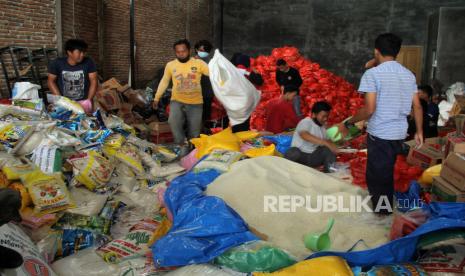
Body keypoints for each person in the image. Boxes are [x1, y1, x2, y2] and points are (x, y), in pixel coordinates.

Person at [337, 33, 423, 214]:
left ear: (376, 51)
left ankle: (383, 213)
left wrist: (348, 122)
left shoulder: (373, 74)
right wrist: (419, 132)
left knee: (378, 175)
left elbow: (369, 109)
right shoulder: (408, 75)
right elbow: (417, 106)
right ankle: (384, 205)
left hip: (381, 133)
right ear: (397, 53)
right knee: (386, 169)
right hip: (399, 133)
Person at [152, 39, 209, 153]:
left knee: (194, 131)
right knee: (173, 122)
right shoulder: (170, 65)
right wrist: (157, 98)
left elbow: (213, 74)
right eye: (178, 52)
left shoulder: (199, 64)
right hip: (177, 100)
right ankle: (182, 145)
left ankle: (193, 151)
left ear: (189, 51)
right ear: (175, 52)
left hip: (195, 103)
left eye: (183, 51)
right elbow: (164, 81)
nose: (181, 53)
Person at [285, 101, 338, 172]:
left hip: (312, 157)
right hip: (300, 156)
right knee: (293, 152)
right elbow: (304, 135)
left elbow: (329, 142)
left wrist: (336, 146)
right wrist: (324, 142)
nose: (325, 119)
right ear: (313, 115)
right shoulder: (306, 122)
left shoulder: (323, 128)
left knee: (328, 150)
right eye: (323, 116)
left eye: (327, 116)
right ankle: (287, 169)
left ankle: (330, 171)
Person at [48, 39, 97, 108]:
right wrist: (60, 100)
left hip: (83, 102)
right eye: (79, 52)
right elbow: (51, 81)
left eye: (83, 52)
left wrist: (88, 100)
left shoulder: (89, 62)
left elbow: (93, 81)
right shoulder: (57, 63)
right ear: (69, 52)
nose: (82, 55)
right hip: (65, 103)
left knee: (86, 118)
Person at [229, 53, 263, 132]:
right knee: (244, 123)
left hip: (233, 101)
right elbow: (259, 82)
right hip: (245, 101)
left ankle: (235, 137)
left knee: (235, 122)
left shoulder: (231, 71)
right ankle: (243, 138)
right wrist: (257, 73)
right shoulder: (248, 72)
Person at [194, 40, 214, 133]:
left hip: (207, 93)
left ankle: (202, 132)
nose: (201, 52)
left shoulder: (211, 62)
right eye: (199, 50)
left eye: (203, 50)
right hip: (195, 93)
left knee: (204, 116)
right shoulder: (193, 61)